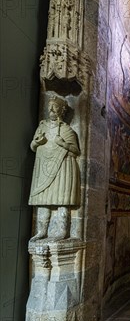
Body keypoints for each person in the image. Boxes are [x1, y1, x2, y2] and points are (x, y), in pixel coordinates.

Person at [29, 94, 81, 240]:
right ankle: (42, 231)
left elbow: (76, 151)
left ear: (62, 111)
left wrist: (63, 144)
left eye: (55, 106)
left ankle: (62, 231)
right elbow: (32, 146)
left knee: (61, 199)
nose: (51, 109)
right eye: (49, 106)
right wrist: (37, 142)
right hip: (43, 167)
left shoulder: (67, 130)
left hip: (62, 168)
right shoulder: (42, 127)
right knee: (43, 200)